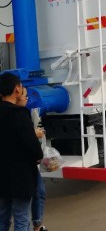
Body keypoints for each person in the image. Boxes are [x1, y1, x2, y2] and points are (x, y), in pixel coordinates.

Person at [0, 73, 43, 231]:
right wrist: (38, 156)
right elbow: (31, 144)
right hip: (21, 176)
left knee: (2, 219)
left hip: (2, 175)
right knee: (21, 219)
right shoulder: (19, 114)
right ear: (17, 89)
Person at [16, 91, 47, 231]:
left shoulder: (23, 113)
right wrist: (33, 134)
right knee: (21, 213)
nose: (27, 98)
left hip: (29, 163)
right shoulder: (16, 115)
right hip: (20, 166)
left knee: (39, 191)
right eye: (24, 95)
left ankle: (37, 225)